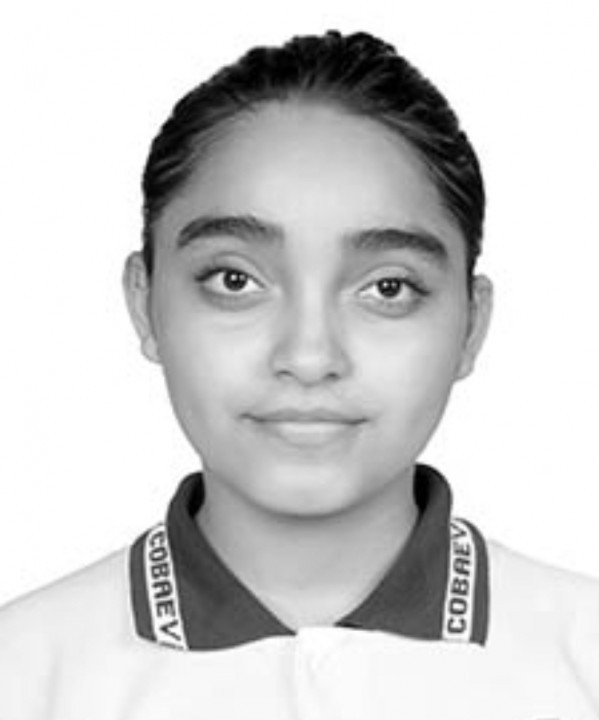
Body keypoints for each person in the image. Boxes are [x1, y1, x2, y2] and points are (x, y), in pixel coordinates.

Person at [0, 28, 598, 720]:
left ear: (470, 325)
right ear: (144, 303)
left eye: (388, 288)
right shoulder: (22, 675)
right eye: (234, 279)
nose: (310, 357)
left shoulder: (582, 661)